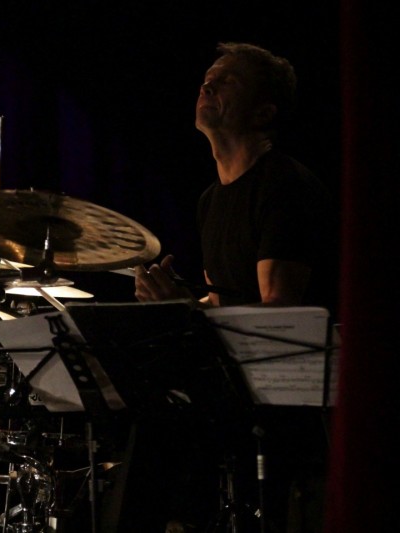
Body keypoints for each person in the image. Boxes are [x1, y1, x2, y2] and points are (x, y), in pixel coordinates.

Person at [119, 42, 336, 533]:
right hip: (237, 389)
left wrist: (186, 309)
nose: (208, 84)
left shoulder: (283, 185)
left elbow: (278, 312)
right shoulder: (210, 200)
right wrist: (173, 302)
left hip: (289, 402)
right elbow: (221, 301)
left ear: (263, 112)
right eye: (207, 77)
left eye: (228, 80)